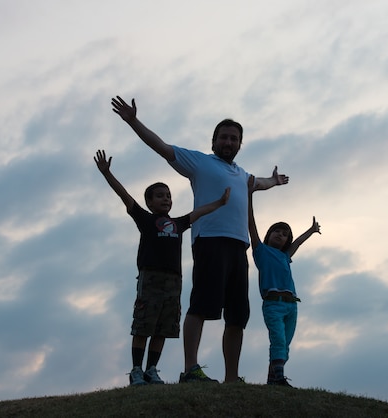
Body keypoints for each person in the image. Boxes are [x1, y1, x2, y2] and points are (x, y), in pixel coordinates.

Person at [111, 96, 289, 383]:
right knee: (202, 307)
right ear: (213, 142)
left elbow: (262, 183)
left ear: (240, 144)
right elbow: (162, 147)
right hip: (210, 241)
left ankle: (232, 376)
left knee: (237, 316)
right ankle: (190, 369)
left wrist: (274, 181)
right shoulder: (199, 163)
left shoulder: (243, 175)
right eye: (223, 137)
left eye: (234, 138)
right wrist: (133, 121)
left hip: (238, 247)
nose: (228, 142)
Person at [94, 149, 230, 386]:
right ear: (149, 202)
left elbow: (198, 212)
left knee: (164, 327)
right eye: (159, 196)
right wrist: (107, 173)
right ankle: (136, 370)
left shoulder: (178, 223)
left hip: (174, 282)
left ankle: (151, 370)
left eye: (168, 196)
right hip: (151, 279)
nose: (165, 199)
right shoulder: (145, 219)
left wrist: (219, 203)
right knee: (143, 325)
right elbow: (124, 195)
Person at [247, 175, 321, 387]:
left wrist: (312, 230)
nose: (281, 235)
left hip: (291, 306)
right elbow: (251, 224)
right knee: (278, 340)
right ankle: (278, 378)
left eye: (285, 234)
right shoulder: (261, 251)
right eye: (277, 232)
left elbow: (297, 242)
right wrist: (249, 196)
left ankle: (273, 377)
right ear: (269, 234)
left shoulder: (285, 256)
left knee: (285, 345)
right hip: (273, 304)